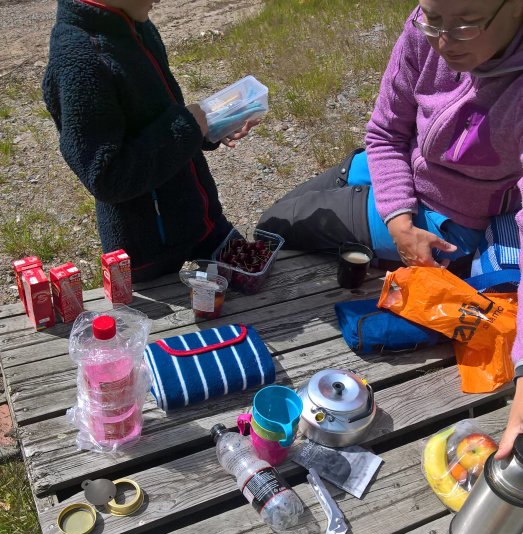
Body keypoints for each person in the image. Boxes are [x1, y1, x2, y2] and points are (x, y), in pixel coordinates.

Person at [258, 0, 523, 457]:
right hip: (406, 172)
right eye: (433, 20)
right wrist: (398, 219)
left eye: (464, 26)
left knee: (274, 228)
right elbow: (384, 133)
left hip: (446, 219)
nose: (441, 42)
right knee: (278, 216)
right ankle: (381, 224)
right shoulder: (427, 30)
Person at [43, 0, 258, 282]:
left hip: (200, 219)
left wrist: (208, 128)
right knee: (167, 327)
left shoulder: (136, 23)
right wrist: (188, 125)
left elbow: (158, 117)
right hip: (147, 247)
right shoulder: (79, 59)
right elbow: (106, 177)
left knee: (258, 283)